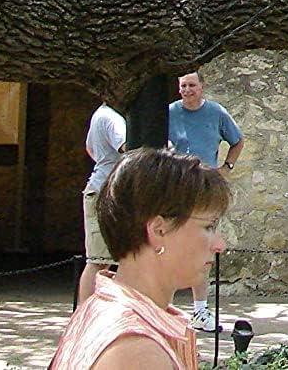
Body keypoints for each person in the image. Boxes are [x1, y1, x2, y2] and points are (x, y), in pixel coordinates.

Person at [51, 148, 228, 369]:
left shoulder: (101, 309)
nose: (221, 244)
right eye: (209, 226)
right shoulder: (136, 350)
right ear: (159, 231)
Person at [166, 71, 242, 329]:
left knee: (203, 249)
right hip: (177, 187)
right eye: (183, 86)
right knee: (170, 245)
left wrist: (226, 167)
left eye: (192, 85)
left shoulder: (216, 112)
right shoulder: (170, 112)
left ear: (202, 87)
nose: (187, 90)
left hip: (205, 189)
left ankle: (200, 311)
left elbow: (237, 140)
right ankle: (165, 309)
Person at [78, 102, 127, 304]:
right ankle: (84, 315)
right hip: (103, 193)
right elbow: (128, 147)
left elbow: (90, 148)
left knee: (110, 260)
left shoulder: (100, 114)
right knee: (98, 261)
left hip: (109, 191)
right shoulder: (112, 118)